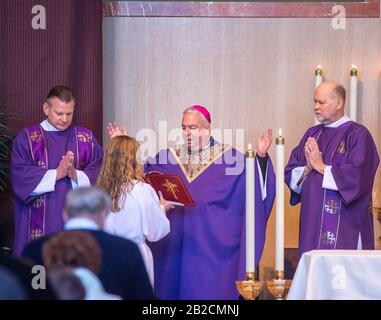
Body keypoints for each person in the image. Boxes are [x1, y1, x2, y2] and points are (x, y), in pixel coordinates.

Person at [108, 105, 275, 300]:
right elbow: (137, 177)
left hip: (211, 249)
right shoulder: (167, 158)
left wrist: (260, 159)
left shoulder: (232, 160)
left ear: (207, 128)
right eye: (184, 127)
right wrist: (120, 146)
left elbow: (254, 188)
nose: (187, 132)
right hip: (173, 248)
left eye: (193, 127)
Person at [285, 81, 379, 257]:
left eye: (322, 102)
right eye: (315, 102)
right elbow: (291, 171)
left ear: (339, 103)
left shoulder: (358, 135)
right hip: (312, 225)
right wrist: (306, 169)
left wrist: (321, 167)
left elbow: (359, 177)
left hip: (346, 225)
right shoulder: (312, 134)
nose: (316, 107)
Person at [11, 85, 104, 256]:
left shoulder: (85, 138)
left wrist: (76, 175)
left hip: (76, 218)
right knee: (39, 276)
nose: (64, 119)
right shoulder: (28, 138)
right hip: (39, 222)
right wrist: (56, 174)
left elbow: (101, 169)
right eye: (59, 113)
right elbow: (20, 176)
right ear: (46, 108)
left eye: (69, 113)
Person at [22, 186, 155, 300]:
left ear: (65, 214)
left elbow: (32, 294)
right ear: (104, 213)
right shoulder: (126, 249)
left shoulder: (36, 249)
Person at [97, 135, 181, 287]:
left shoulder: (100, 190)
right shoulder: (142, 190)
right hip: (134, 255)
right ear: (134, 159)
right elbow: (155, 232)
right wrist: (162, 207)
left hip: (106, 255)